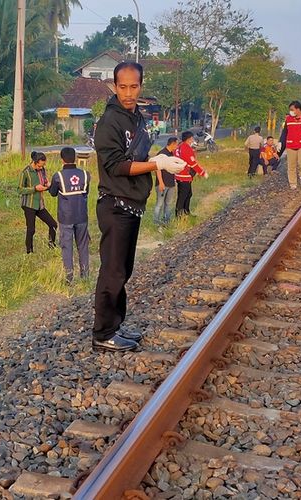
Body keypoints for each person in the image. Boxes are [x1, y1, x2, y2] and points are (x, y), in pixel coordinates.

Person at [92, 61, 186, 352]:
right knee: (113, 272)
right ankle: (103, 333)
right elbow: (116, 165)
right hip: (114, 204)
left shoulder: (139, 119)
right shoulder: (110, 122)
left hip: (132, 204)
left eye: (134, 86)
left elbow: (141, 154)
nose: (129, 93)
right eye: (123, 87)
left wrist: (161, 160)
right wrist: (157, 163)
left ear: (141, 85)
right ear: (114, 86)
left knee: (124, 270)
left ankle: (116, 325)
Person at [48, 147, 90, 284]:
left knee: (67, 246)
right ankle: (85, 275)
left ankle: (69, 277)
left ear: (62, 159)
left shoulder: (58, 176)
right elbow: (86, 192)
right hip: (82, 215)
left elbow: (53, 193)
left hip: (66, 217)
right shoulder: (85, 174)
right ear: (75, 158)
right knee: (83, 245)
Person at [18, 151, 57, 253]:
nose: (41, 168)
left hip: (39, 204)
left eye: (43, 165)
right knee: (31, 229)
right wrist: (35, 188)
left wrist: (49, 185)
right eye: (40, 166)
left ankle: (51, 245)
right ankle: (29, 251)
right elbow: (20, 190)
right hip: (29, 204)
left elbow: (45, 181)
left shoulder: (42, 170)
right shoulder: (25, 172)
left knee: (53, 224)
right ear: (35, 162)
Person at [174, 131, 209, 216]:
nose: (193, 140)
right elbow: (193, 163)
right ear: (189, 139)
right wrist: (202, 173)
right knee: (183, 196)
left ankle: (186, 212)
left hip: (179, 174)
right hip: (184, 175)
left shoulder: (179, 147)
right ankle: (179, 215)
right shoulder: (186, 148)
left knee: (188, 194)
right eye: (192, 138)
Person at [153, 137, 179, 226]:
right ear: (172, 144)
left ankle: (166, 222)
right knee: (159, 204)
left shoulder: (171, 153)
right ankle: (156, 223)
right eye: (176, 144)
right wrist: (160, 182)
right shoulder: (161, 154)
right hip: (163, 183)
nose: (177, 146)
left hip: (171, 183)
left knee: (168, 204)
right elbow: (157, 169)